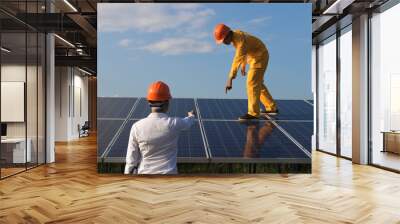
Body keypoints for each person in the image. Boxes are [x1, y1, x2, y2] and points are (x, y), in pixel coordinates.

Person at [124, 81, 195, 175]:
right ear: (166, 102)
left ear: (149, 102)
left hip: (145, 178)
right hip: (169, 179)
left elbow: (131, 159)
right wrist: (191, 116)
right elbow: (188, 122)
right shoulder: (174, 123)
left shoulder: (137, 126)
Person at [214, 23, 278, 121]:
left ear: (227, 35)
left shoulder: (240, 40)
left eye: (223, 40)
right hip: (254, 57)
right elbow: (244, 52)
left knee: (252, 83)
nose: (223, 43)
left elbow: (237, 58)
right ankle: (271, 107)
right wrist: (243, 65)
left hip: (260, 57)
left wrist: (230, 79)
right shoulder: (236, 36)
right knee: (258, 83)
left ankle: (253, 113)